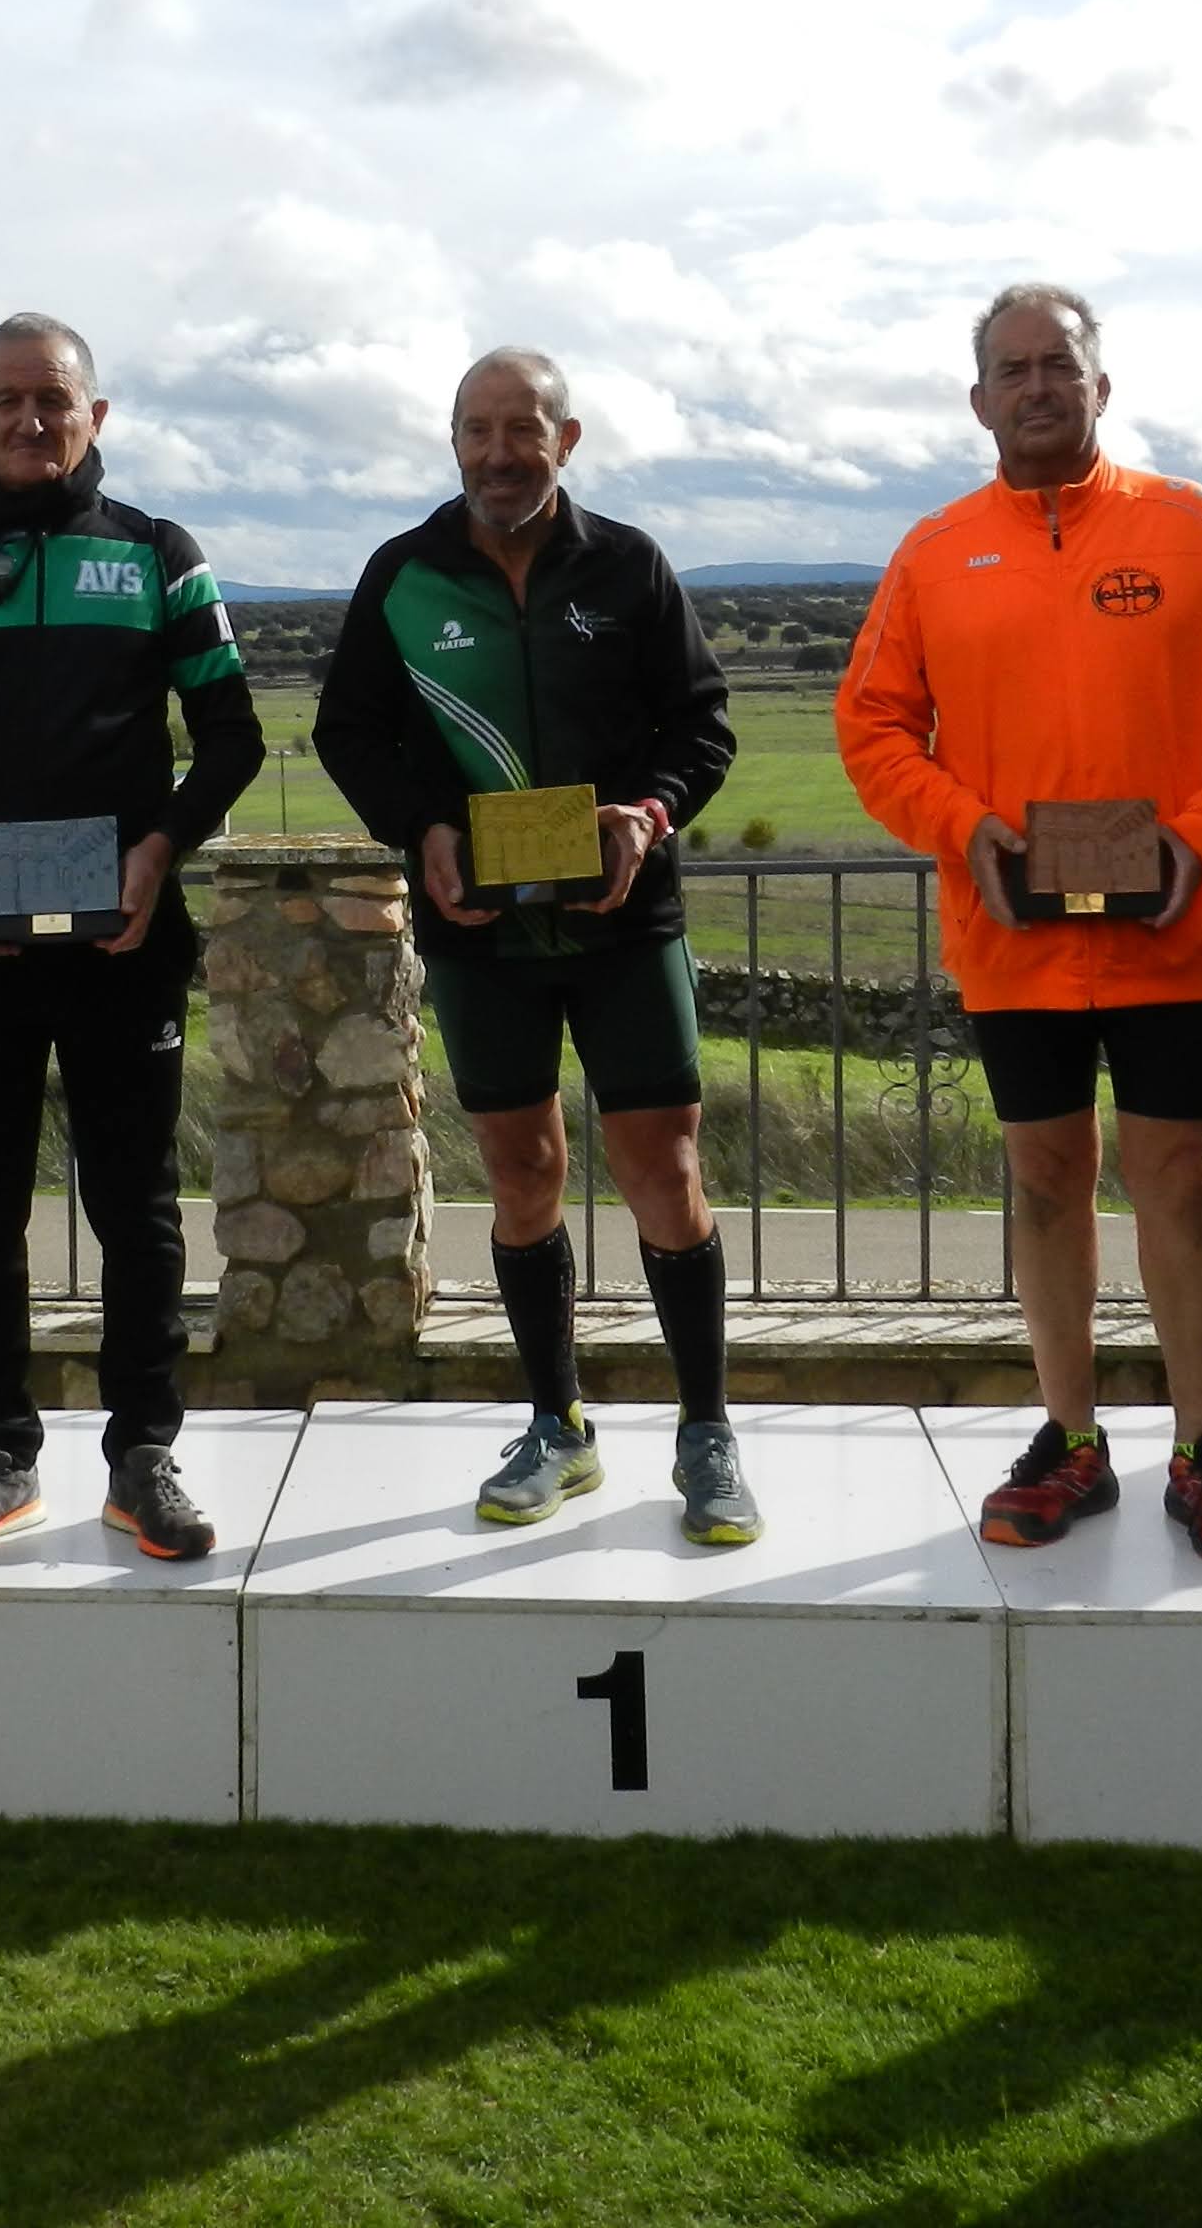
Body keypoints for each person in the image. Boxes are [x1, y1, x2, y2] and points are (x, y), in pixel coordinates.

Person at [836, 284, 1202, 1568]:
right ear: (978, 399)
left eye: (1060, 366)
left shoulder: (1192, 525)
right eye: (1012, 370)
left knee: (1180, 1180)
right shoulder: (935, 551)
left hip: (1169, 924)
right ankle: (1072, 1436)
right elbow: (873, 726)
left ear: (1102, 387)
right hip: (1013, 934)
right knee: (1045, 1177)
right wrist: (959, 827)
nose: (1037, 387)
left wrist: (1196, 836)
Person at [0, 314, 263, 1564]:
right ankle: (0, 1451)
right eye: (5, 400)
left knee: (136, 1207)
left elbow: (230, 736)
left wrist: (161, 846)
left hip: (128, 939)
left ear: (97, 416)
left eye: (53, 400)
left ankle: (144, 1451)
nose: (31, 420)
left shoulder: (159, 554)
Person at [317, 348, 747, 1537]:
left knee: (663, 1166)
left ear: (568, 438)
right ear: (453, 440)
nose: (499, 451)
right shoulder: (401, 576)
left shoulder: (629, 566)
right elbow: (348, 732)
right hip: (480, 929)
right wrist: (421, 830)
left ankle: (706, 1432)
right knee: (521, 1171)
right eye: (476, 429)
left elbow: (701, 725)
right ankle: (555, 1426)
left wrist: (648, 814)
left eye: (523, 428)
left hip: (622, 917)